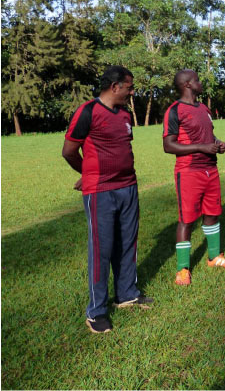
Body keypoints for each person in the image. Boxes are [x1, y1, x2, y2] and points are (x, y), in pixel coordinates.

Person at [62, 65, 153, 334]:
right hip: (100, 192)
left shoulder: (125, 114)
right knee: (101, 250)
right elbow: (68, 151)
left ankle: (126, 294)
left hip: (128, 187)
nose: (132, 91)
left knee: (127, 242)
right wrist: (88, 173)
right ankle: (96, 311)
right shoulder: (88, 111)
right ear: (115, 87)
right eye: (129, 87)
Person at [163, 70, 225, 286]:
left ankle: (214, 257)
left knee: (212, 213)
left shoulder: (203, 108)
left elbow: (207, 135)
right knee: (187, 219)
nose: (200, 82)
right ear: (187, 84)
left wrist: (217, 142)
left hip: (210, 170)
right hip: (189, 171)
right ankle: (183, 269)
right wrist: (202, 147)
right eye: (197, 79)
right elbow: (168, 145)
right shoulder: (174, 110)